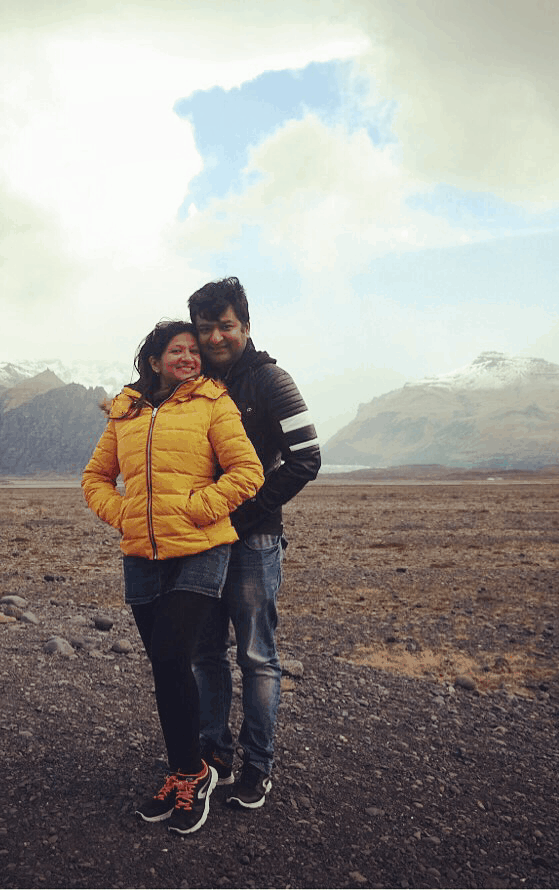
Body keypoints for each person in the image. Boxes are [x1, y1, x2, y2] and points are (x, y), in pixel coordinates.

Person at [81, 319, 264, 836]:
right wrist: (125, 514)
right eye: (176, 351)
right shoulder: (127, 411)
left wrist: (197, 509)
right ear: (155, 360)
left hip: (201, 548)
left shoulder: (214, 402)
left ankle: (193, 772)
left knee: (170, 652)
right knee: (165, 667)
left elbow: (247, 471)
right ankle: (186, 768)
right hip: (140, 552)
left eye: (193, 351)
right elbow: (95, 478)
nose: (188, 357)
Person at [188, 276, 321, 810]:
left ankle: (258, 766)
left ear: (245, 325)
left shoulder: (270, 381)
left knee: (257, 656)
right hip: (200, 543)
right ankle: (214, 758)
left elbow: (307, 457)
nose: (216, 337)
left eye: (226, 326)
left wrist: (247, 516)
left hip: (253, 543)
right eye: (206, 328)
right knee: (205, 655)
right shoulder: (192, 384)